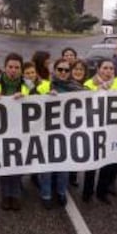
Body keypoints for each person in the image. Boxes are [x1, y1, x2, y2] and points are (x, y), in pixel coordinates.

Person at [82, 38, 117, 204]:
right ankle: (87, 193)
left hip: (113, 131)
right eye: (105, 68)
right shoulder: (88, 84)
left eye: (111, 68)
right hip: (93, 130)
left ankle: (102, 192)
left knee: (108, 165)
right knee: (91, 165)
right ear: (98, 70)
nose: (109, 71)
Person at [38, 58, 85, 209]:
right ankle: (46, 194)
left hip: (67, 134)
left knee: (63, 166)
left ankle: (61, 192)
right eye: (60, 69)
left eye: (66, 70)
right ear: (54, 70)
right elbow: (29, 100)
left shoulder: (77, 88)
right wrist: (45, 96)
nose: (63, 72)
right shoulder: (45, 85)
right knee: (47, 167)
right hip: (46, 133)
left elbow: (93, 99)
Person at [0, 53, 33, 211]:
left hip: (21, 130)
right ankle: (5, 196)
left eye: (17, 67)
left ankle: (15, 195)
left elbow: (40, 101)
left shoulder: (29, 84)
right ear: (4, 67)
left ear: (21, 69)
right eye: (10, 67)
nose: (13, 70)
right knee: (4, 165)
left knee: (17, 165)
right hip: (0, 131)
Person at [68, 58, 90, 187]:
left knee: (77, 148)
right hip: (66, 124)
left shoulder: (86, 88)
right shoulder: (64, 85)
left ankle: (73, 175)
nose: (78, 71)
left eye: (81, 69)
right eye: (75, 69)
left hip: (80, 124)